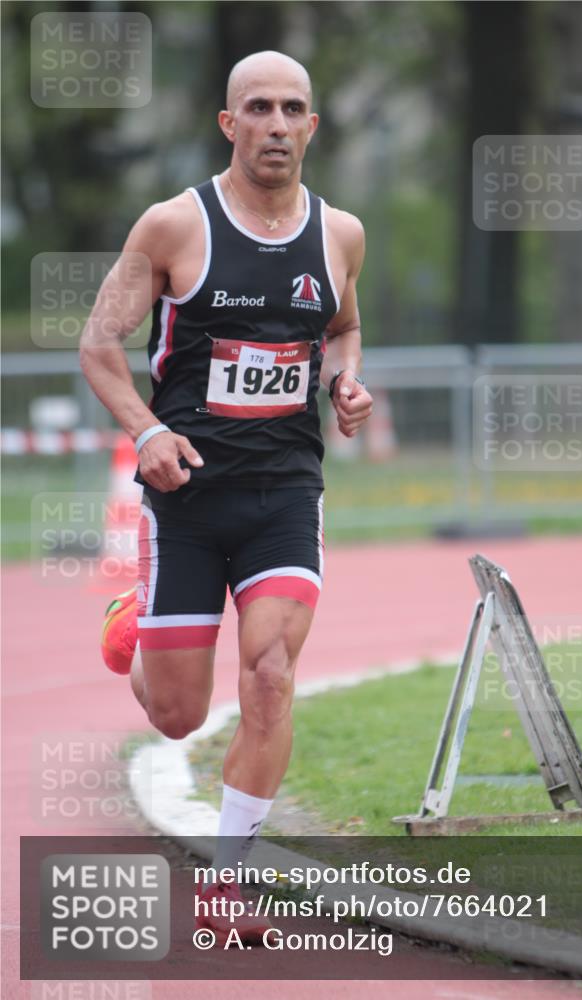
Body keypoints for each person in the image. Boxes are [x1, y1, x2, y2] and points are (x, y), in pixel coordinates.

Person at [80, 50, 373, 945]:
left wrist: (346, 383)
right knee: (176, 715)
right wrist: (150, 430)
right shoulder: (175, 226)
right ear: (229, 124)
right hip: (187, 497)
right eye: (259, 108)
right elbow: (99, 345)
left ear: (311, 127)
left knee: (270, 675)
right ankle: (137, 622)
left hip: (286, 491)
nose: (277, 124)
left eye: (292, 110)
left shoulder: (341, 233)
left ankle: (227, 878)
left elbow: (344, 324)